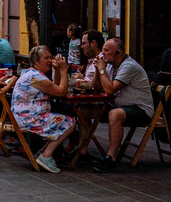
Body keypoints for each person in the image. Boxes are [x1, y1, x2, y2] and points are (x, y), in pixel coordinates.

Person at [91, 36, 155, 171]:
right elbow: (96, 88)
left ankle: (111, 157)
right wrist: (98, 70)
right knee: (86, 109)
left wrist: (102, 70)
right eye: (102, 51)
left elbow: (109, 90)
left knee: (115, 115)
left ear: (118, 53)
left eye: (106, 51)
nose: (102, 54)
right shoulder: (110, 65)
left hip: (140, 109)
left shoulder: (129, 66)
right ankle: (82, 149)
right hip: (120, 105)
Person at [10, 44, 76, 172]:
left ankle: (43, 153)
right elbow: (62, 91)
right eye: (46, 58)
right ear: (36, 61)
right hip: (29, 119)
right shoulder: (36, 78)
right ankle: (46, 155)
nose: (50, 60)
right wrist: (63, 70)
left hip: (23, 116)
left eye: (50, 57)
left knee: (61, 116)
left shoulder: (31, 73)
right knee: (70, 122)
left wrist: (56, 71)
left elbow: (54, 89)